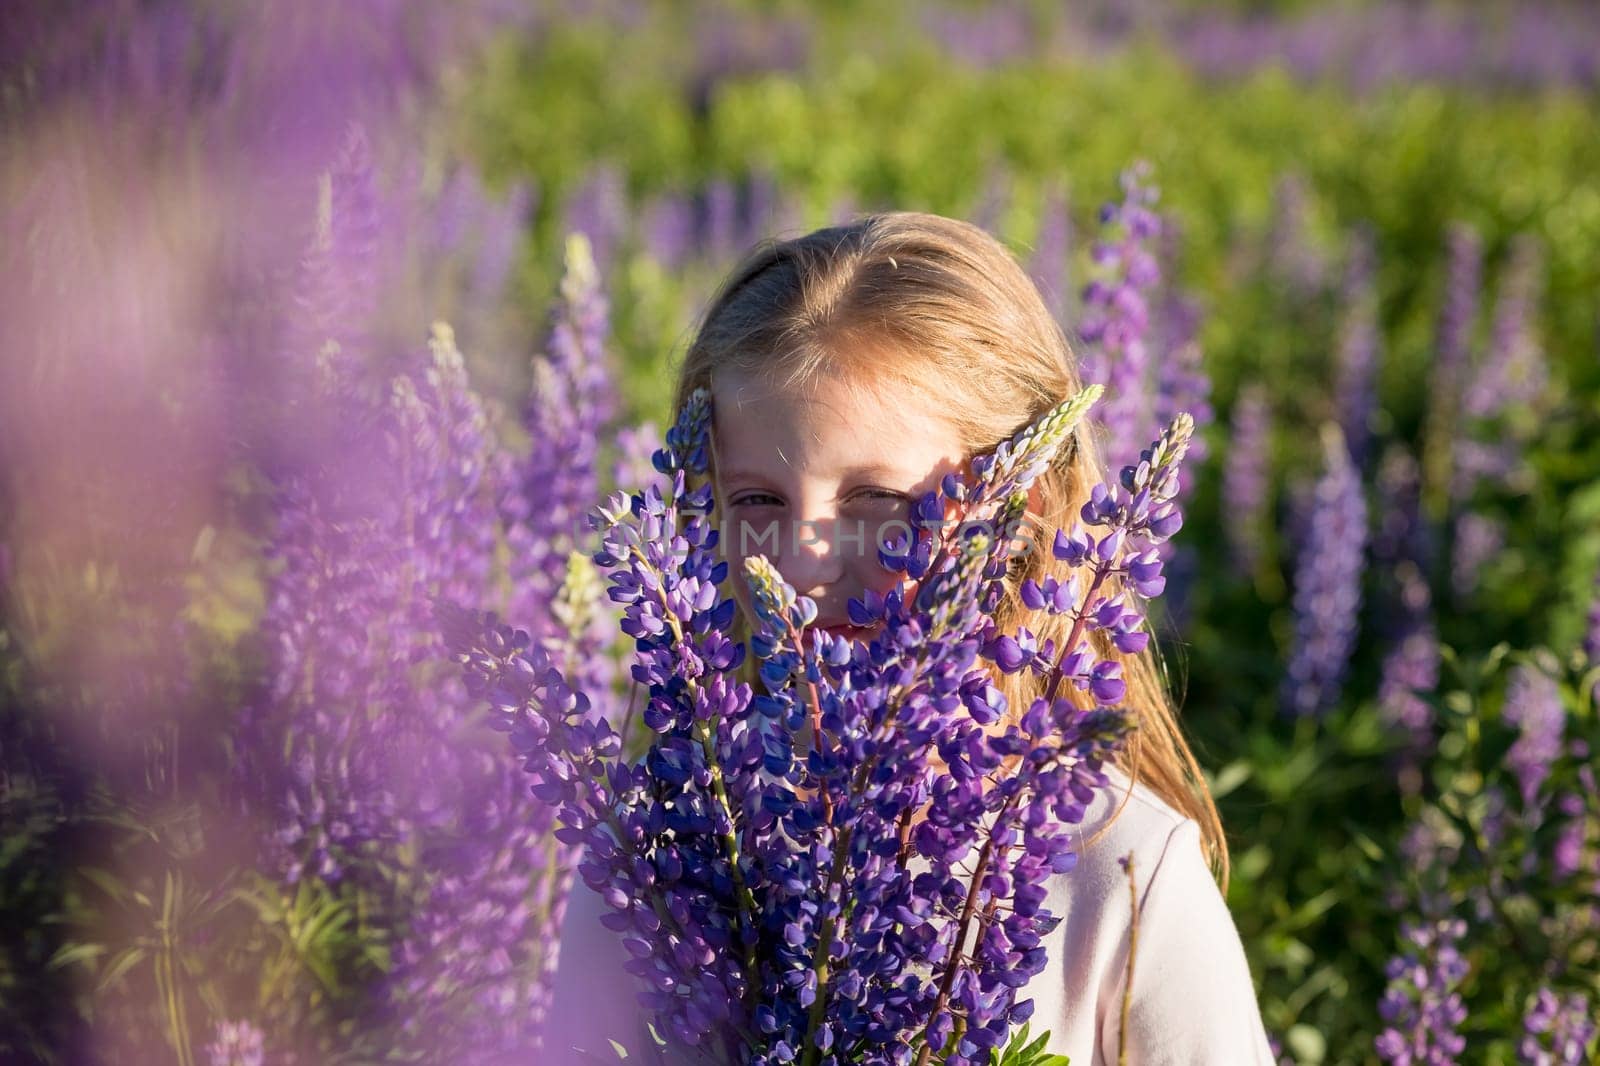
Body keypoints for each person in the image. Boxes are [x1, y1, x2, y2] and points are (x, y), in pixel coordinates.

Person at [544, 212, 1277, 1064]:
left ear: (1021, 509)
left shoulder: (1122, 873)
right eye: (756, 501)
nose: (805, 563)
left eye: (879, 503)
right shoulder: (654, 860)